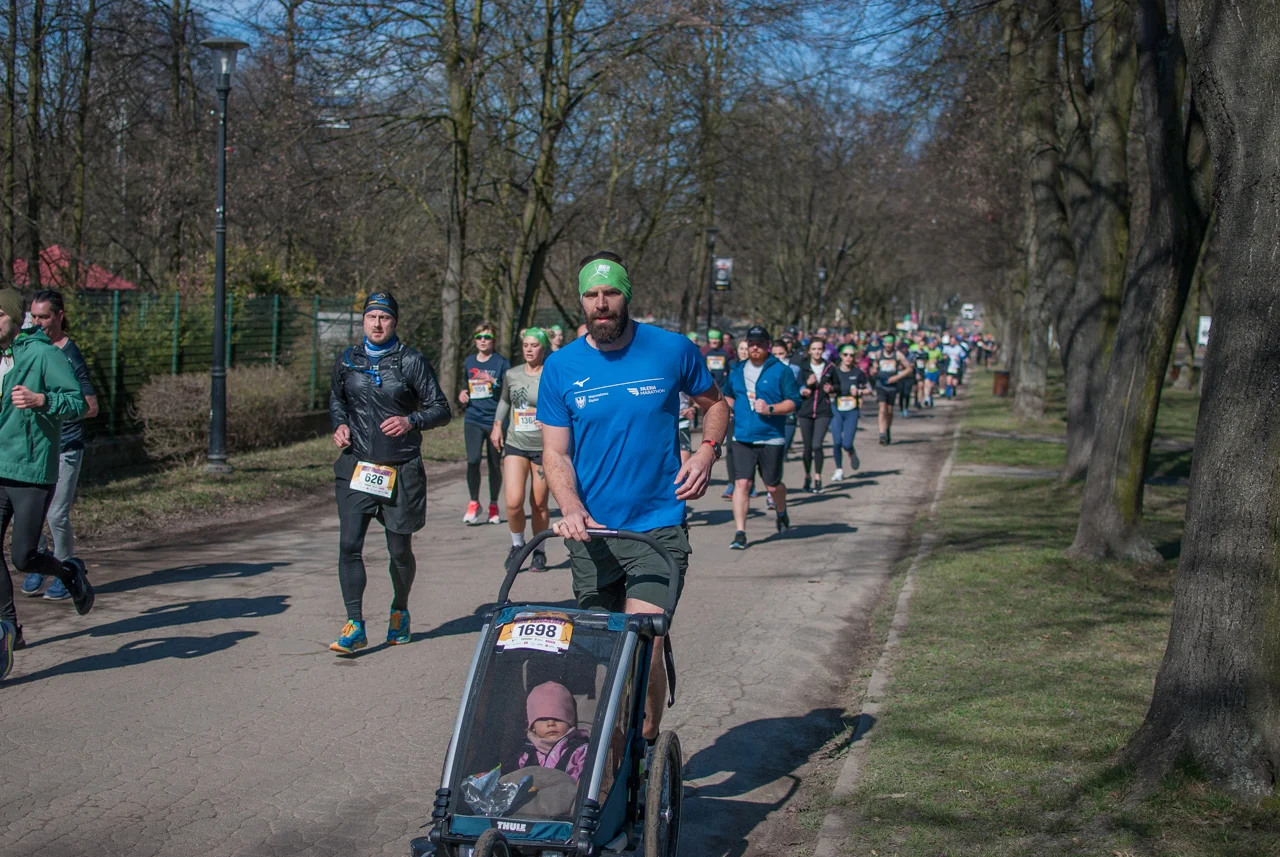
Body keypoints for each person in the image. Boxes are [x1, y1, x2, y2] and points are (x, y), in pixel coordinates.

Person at [539, 250, 729, 742]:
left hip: (657, 525)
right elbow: (555, 454)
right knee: (606, 652)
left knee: (641, 639)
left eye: (610, 293)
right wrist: (571, 506)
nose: (601, 304)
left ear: (626, 294)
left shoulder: (671, 349)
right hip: (593, 534)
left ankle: (645, 739)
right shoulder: (560, 367)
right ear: (580, 300)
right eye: (591, 295)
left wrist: (706, 452)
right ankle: (615, 757)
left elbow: (716, 406)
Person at [329, 292, 451, 654]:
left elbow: (441, 409)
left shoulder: (410, 361)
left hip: (400, 469)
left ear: (394, 322)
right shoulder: (348, 360)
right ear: (363, 321)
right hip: (357, 466)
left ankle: (399, 610)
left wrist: (410, 419)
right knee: (350, 545)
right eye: (371, 317)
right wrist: (339, 424)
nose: (377, 324)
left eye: (384, 317)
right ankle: (355, 623)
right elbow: (337, 398)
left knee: (399, 550)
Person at [0, 288, 94, 676]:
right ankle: (7, 629)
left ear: (11, 318)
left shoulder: (43, 354)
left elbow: (79, 403)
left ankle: (68, 572)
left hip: (30, 470)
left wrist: (43, 401)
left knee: (23, 558)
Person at [21, 289, 99, 601]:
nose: (38, 323)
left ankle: (67, 570)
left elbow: (90, 406)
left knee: (56, 514)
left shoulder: (69, 354)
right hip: (34, 448)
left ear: (60, 316)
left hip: (65, 447)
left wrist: (50, 406)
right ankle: (41, 561)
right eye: (34, 317)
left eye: (45, 317)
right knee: (24, 510)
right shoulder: (28, 348)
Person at [723, 325, 802, 549]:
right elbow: (727, 395)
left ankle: (781, 510)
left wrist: (771, 409)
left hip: (771, 437)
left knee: (772, 485)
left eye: (759, 343)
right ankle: (740, 532)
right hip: (742, 436)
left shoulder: (780, 371)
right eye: (751, 343)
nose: (755, 347)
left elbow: (794, 401)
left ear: (768, 345)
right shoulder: (737, 370)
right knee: (742, 483)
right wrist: (729, 407)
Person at [492, 328, 551, 572]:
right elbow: (505, 400)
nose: (528, 349)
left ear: (543, 348)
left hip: (544, 446)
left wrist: (549, 420)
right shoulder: (512, 374)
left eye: (534, 345)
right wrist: (497, 425)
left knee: (538, 503)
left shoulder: (552, 374)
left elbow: (563, 403)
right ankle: (517, 545)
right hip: (516, 442)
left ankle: (539, 550)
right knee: (514, 502)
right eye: (525, 344)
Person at [459, 322, 510, 524]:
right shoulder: (469, 361)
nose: (483, 341)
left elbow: (508, 393)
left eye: (487, 337)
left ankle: (493, 504)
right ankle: (473, 502)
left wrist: (493, 381)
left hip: (494, 419)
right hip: (473, 417)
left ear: (493, 341)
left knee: (494, 464)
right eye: (479, 337)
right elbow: (466, 385)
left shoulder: (501, 363)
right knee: (472, 461)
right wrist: (463, 393)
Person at [503, 681, 590, 781]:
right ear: (533, 726)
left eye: (558, 718)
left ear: (569, 721)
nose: (551, 723)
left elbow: (584, 783)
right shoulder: (523, 754)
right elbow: (508, 780)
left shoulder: (580, 751)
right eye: (543, 719)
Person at [797, 337, 837, 493]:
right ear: (809, 351)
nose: (817, 352)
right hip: (805, 411)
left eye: (820, 349)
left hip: (823, 411)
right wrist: (806, 385)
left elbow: (838, 386)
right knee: (807, 448)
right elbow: (795, 387)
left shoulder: (830, 368)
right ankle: (807, 475)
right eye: (814, 349)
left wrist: (832, 389)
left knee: (817, 445)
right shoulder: (803, 367)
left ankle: (818, 477)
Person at [830, 344, 869, 481]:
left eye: (851, 355)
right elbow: (827, 386)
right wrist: (830, 390)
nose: (848, 358)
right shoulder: (834, 372)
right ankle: (839, 469)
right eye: (845, 355)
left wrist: (859, 392)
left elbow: (868, 389)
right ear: (841, 356)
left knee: (846, 443)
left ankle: (851, 452)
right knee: (836, 441)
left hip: (852, 411)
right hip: (836, 409)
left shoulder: (858, 373)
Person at [873, 334, 914, 445]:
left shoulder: (898, 355)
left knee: (889, 411)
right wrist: (874, 369)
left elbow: (909, 369)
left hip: (892, 386)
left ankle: (887, 429)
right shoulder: (879, 354)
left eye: (890, 343)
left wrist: (897, 377)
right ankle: (881, 434)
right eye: (886, 343)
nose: (888, 345)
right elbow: (875, 365)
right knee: (882, 409)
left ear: (893, 344)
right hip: (880, 385)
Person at [942, 334, 965, 398]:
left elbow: (963, 355)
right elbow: (943, 355)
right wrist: (945, 357)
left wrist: (959, 358)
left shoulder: (959, 348)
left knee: (954, 382)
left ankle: (954, 389)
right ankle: (948, 394)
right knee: (948, 381)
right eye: (951, 341)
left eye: (953, 341)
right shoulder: (947, 348)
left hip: (956, 367)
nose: (952, 342)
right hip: (949, 366)